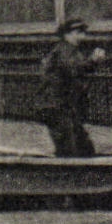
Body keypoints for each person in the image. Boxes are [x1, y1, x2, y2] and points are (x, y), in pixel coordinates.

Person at [36, 19, 98, 158]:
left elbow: (77, 70)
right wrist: (92, 61)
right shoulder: (64, 50)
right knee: (69, 147)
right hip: (55, 106)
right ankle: (66, 174)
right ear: (67, 35)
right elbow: (73, 69)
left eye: (83, 33)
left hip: (64, 106)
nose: (83, 37)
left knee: (84, 146)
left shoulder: (71, 51)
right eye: (78, 33)